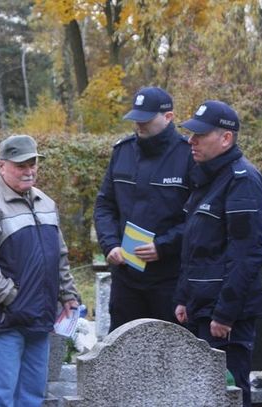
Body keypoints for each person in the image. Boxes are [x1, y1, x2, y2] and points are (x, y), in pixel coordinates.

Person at [0, 134, 79, 407]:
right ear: (1, 166)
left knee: (32, 400)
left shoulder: (45, 203)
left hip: (39, 321)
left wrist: (68, 295)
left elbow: (58, 255)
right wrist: (11, 297)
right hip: (3, 323)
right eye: (21, 165)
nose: (29, 170)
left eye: (33, 163)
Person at [174, 100, 262, 407]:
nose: (191, 141)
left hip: (225, 319)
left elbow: (246, 255)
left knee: (229, 396)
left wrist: (225, 313)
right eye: (191, 134)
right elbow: (197, 248)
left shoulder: (243, 181)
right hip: (202, 309)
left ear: (226, 138)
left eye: (200, 135)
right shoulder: (208, 178)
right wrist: (183, 297)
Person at [93, 86, 194, 331]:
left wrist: (164, 246)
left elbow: (198, 219)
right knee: (121, 352)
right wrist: (110, 244)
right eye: (136, 119)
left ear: (168, 117)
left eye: (146, 120)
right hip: (126, 277)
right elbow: (105, 205)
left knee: (168, 353)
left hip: (169, 278)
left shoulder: (187, 155)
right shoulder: (122, 151)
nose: (139, 125)